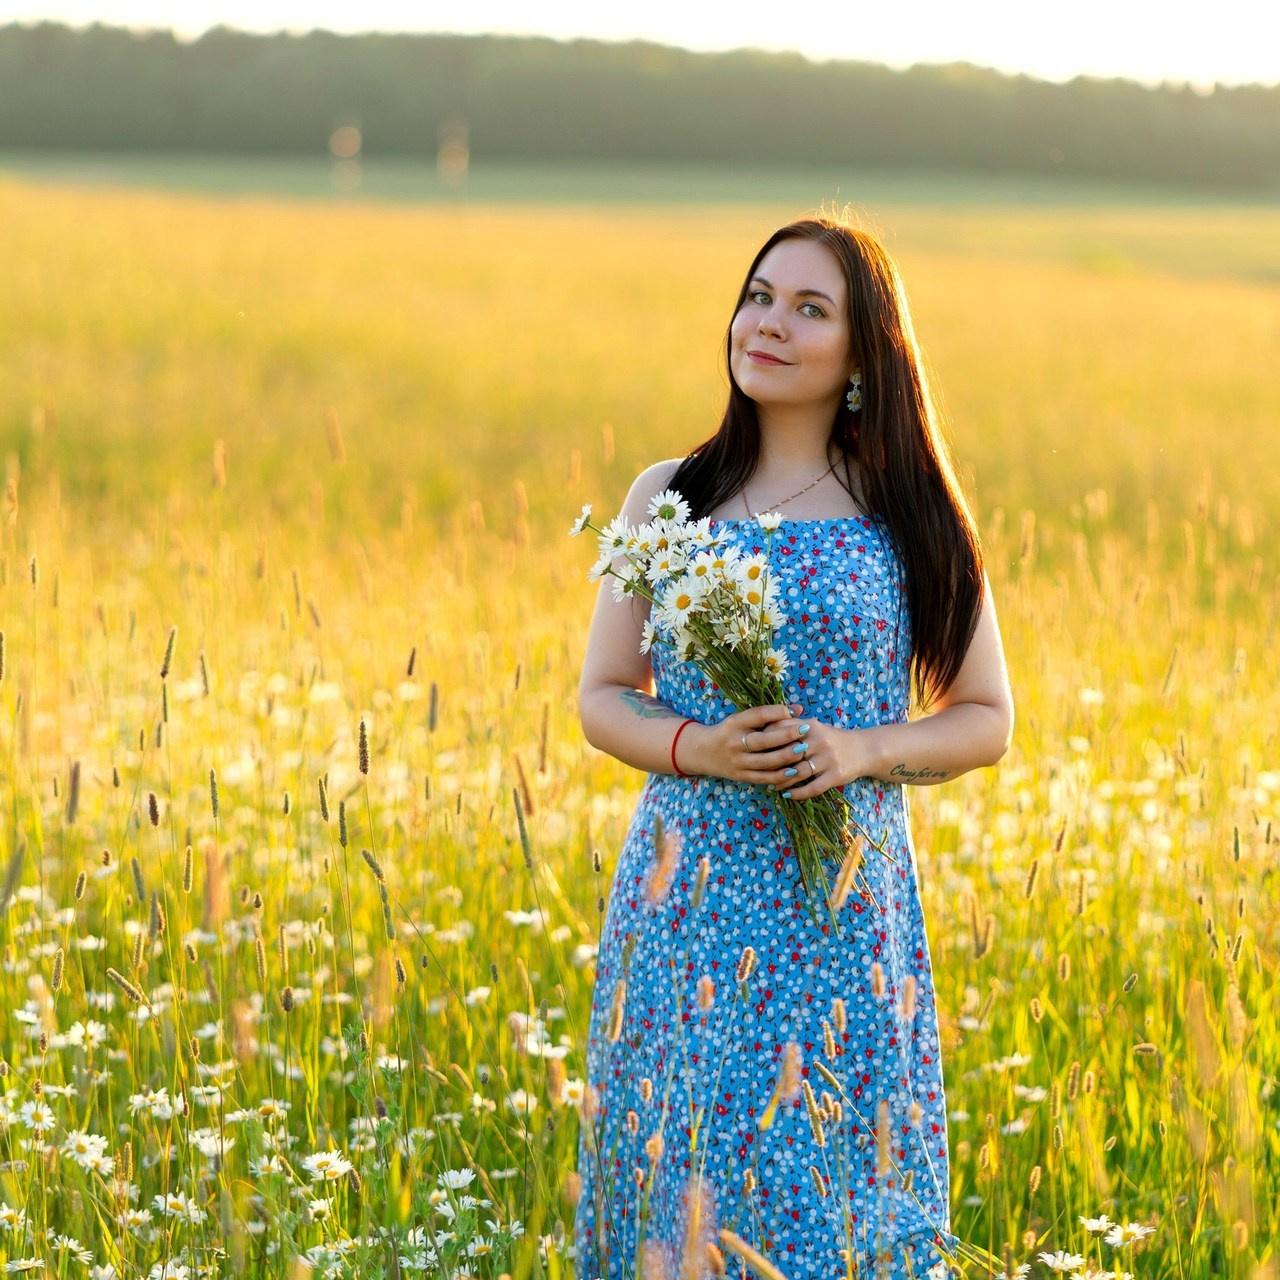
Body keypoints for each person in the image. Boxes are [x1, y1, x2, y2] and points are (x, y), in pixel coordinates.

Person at [572, 213, 1014, 1280]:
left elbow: (984, 715)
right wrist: (699, 745)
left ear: (865, 352)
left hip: (843, 914)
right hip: (686, 910)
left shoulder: (907, 510)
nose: (767, 323)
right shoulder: (666, 495)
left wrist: (860, 751)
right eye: (758, 295)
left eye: (808, 308)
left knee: (834, 1202)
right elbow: (599, 696)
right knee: (679, 1184)